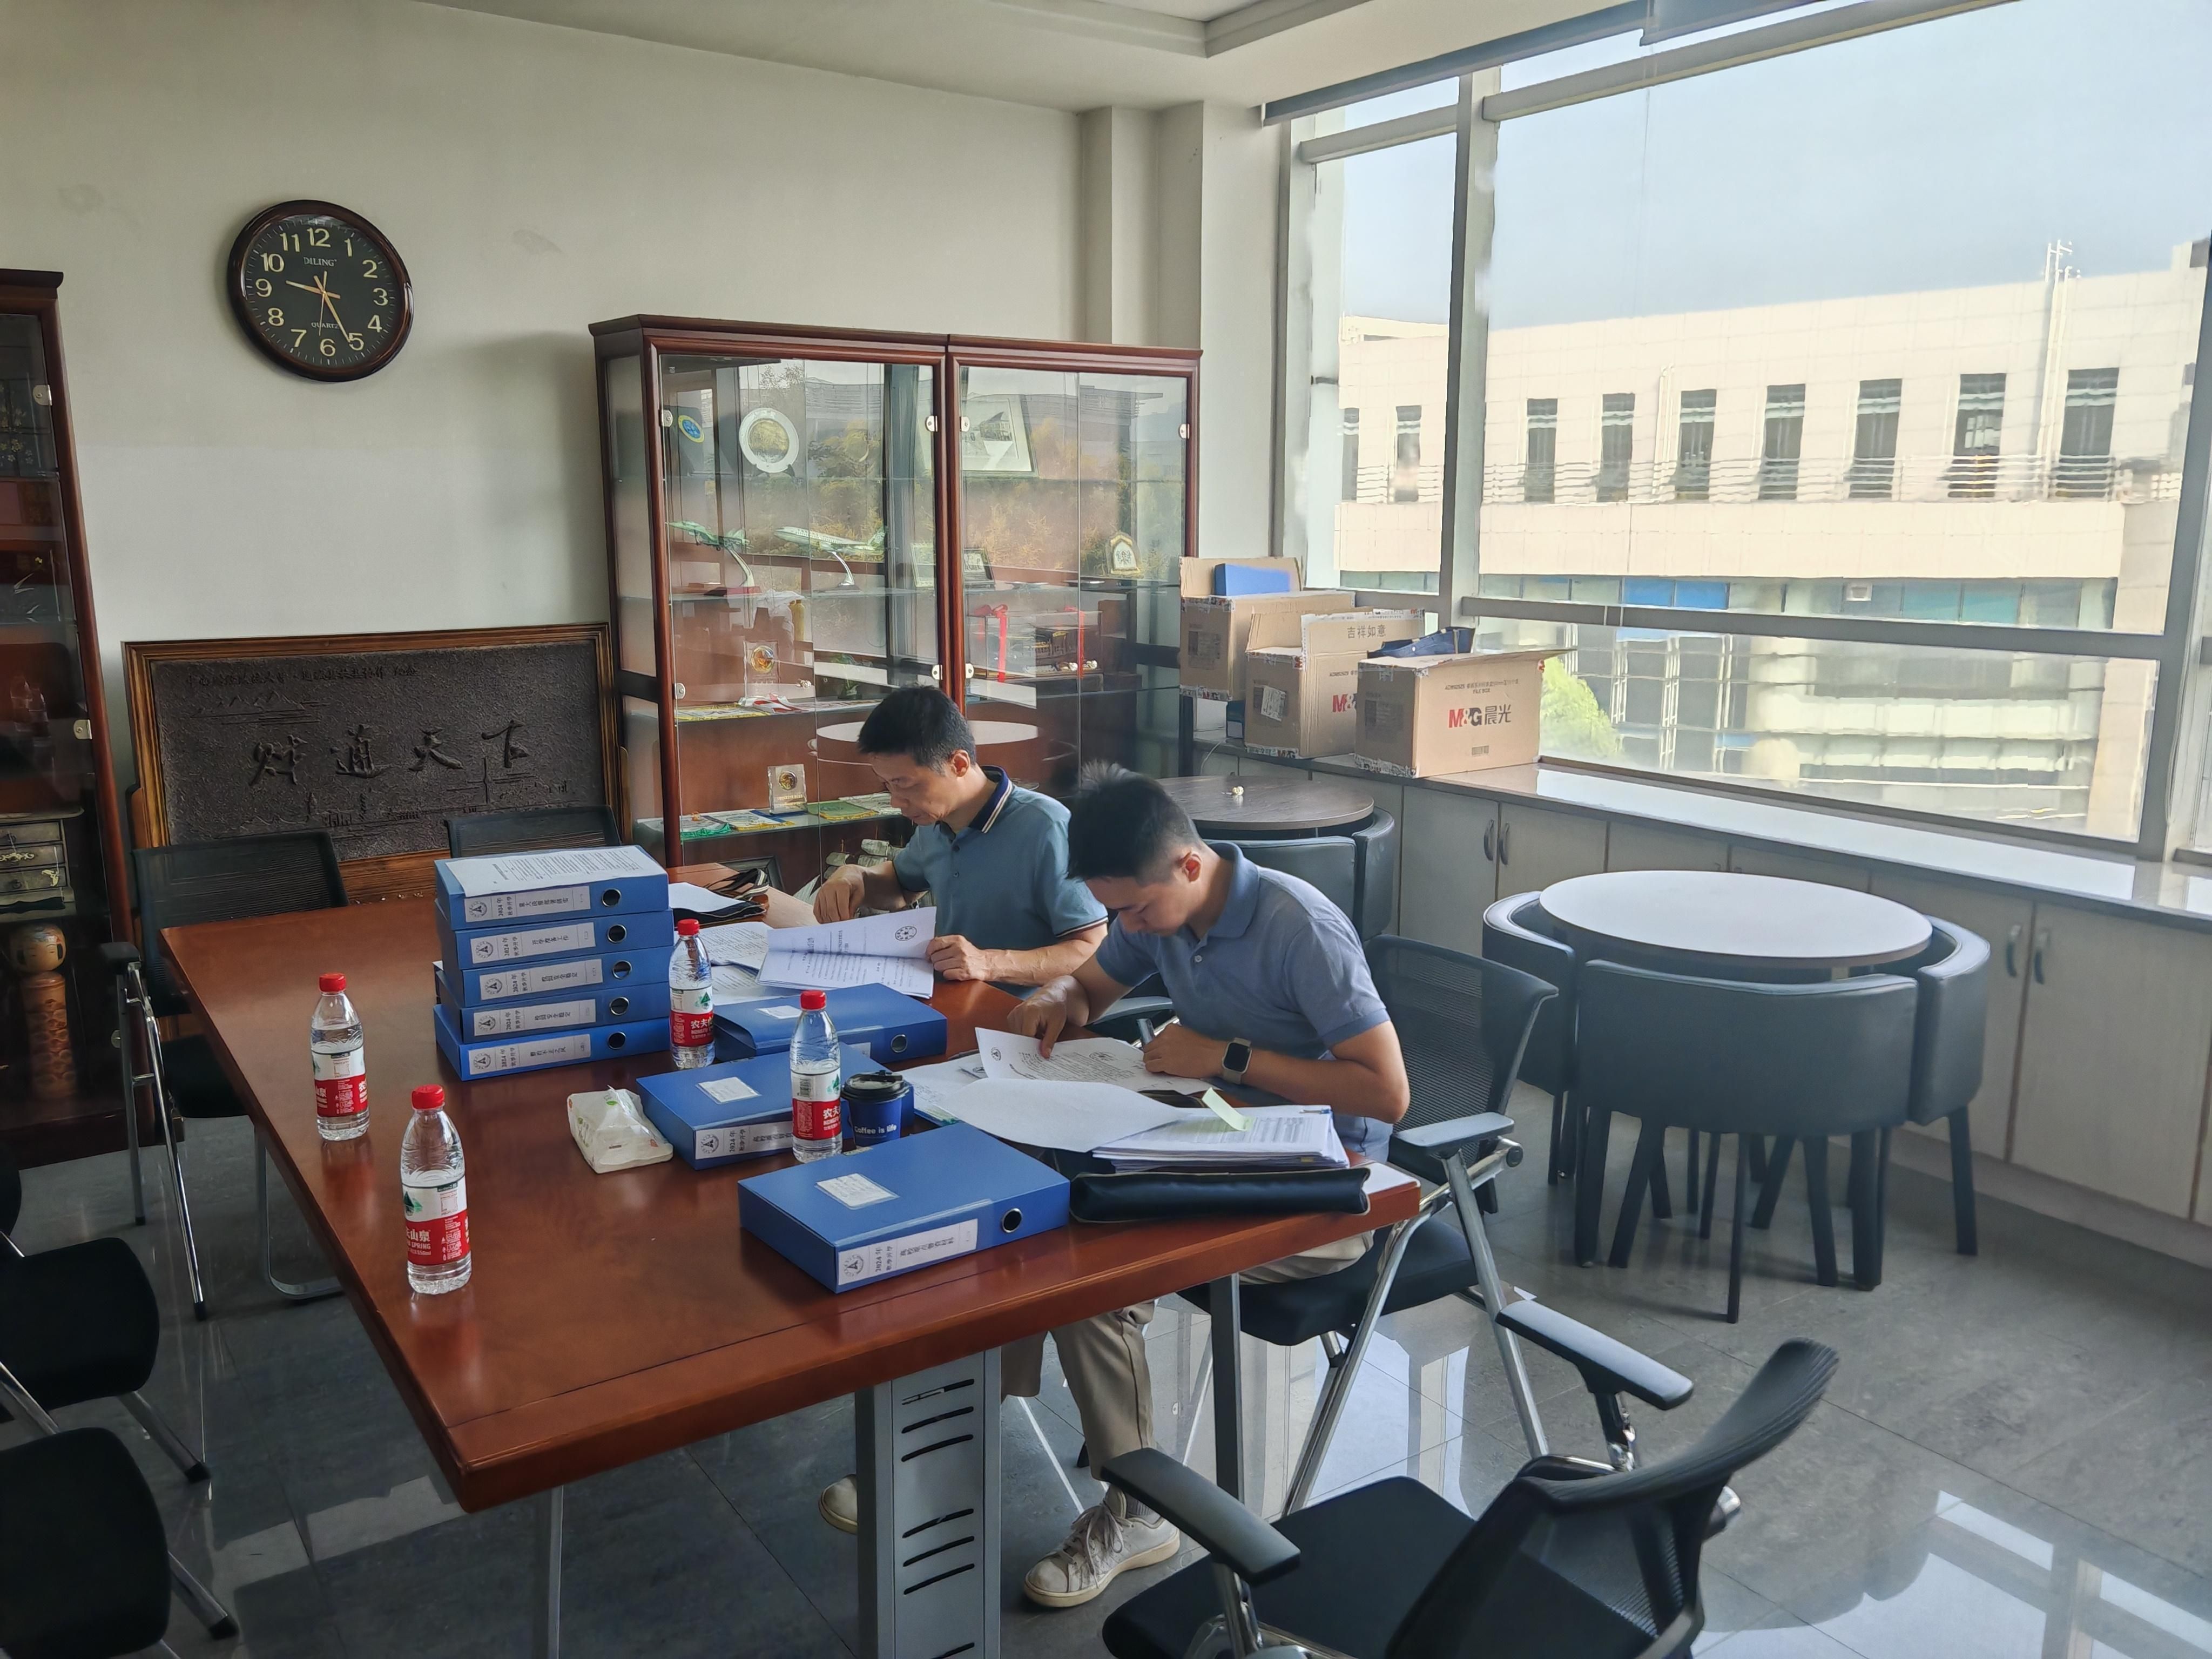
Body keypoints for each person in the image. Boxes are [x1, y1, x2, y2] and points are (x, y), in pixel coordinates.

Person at [1003, 765, 1410, 1608]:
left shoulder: (1301, 929)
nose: (1128, 927)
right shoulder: (1159, 911)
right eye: (1115, 912)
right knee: (1026, 1201)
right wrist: (1057, 994)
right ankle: (976, 1406)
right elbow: (1093, 984)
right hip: (1219, 1135)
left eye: (1136, 911)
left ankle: (1139, 1513)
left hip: (1325, 1183)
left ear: (1189, 865)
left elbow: (1387, 1092)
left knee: (1093, 1276)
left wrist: (1228, 1058)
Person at [811, 686, 1107, 986]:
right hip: (947, 995)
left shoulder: (1046, 827)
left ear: (959, 765)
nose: (896, 801)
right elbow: (901, 887)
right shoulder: (934, 821)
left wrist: (988, 963)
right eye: (887, 785)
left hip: (1021, 1006)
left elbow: (1092, 950)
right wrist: (856, 877)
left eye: (905, 784)